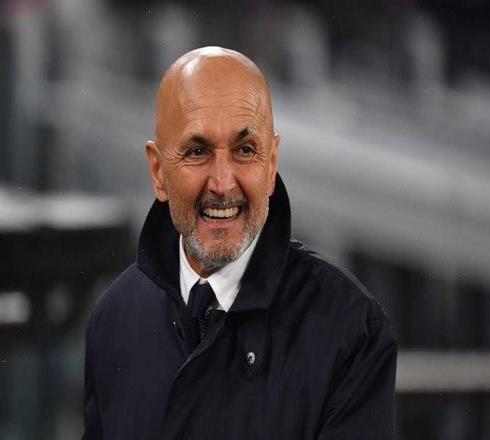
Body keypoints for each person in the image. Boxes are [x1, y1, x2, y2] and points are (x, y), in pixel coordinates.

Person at [82, 46, 397, 440]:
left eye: (245, 151)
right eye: (197, 152)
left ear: (271, 164)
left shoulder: (350, 331)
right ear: (158, 171)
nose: (222, 183)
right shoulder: (114, 320)